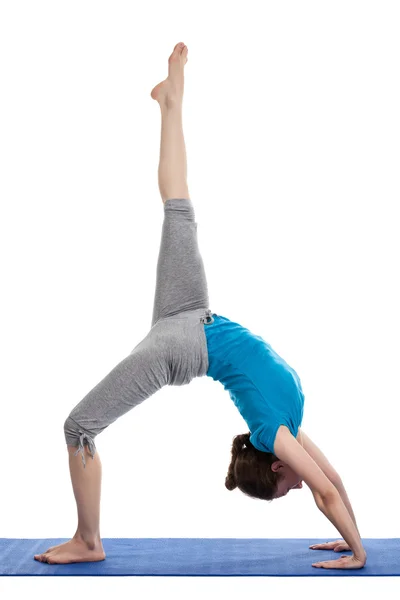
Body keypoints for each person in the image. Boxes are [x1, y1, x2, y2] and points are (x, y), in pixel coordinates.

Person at [34, 42, 366, 570]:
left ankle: (88, 538)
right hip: (188, 320)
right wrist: (358, 547)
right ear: (280, 467)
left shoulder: (281, 427)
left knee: (80, 426)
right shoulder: (281, 430)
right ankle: (171, 102)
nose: (300, 488)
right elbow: (330, 487)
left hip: (186, 332)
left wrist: (353, 541)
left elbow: (329, 486)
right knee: (179, 206)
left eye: (288, 492)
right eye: (291, 491)